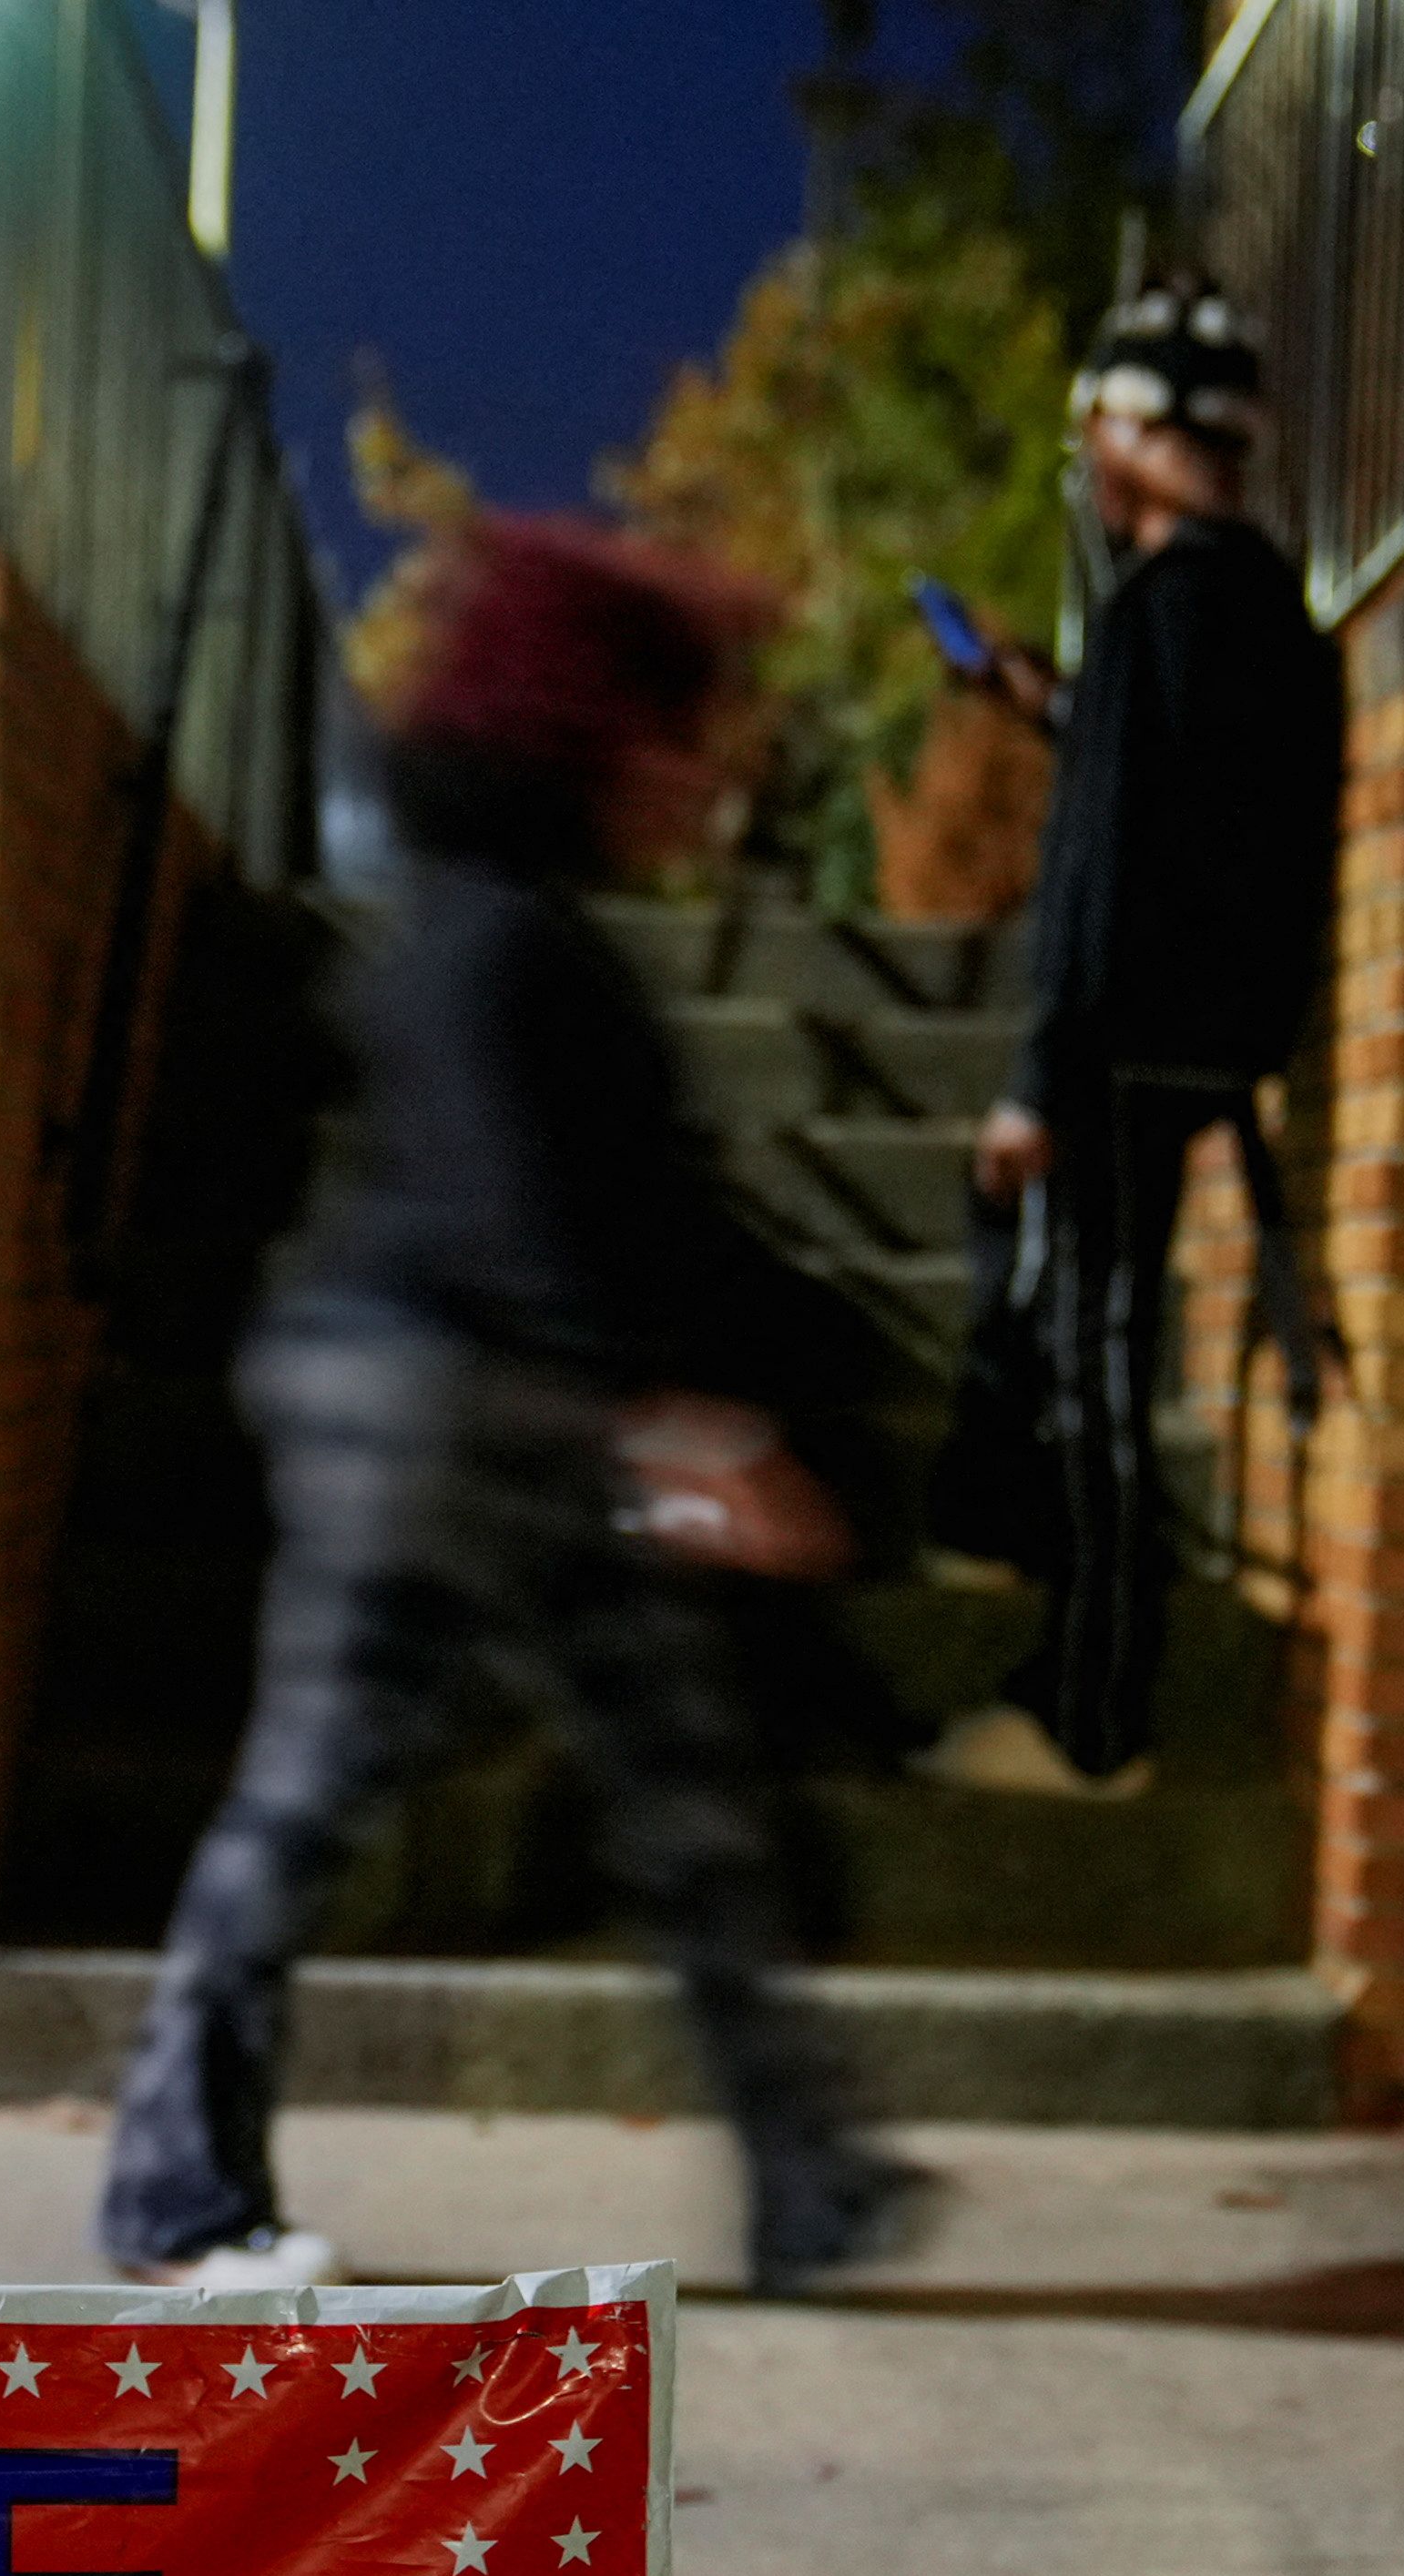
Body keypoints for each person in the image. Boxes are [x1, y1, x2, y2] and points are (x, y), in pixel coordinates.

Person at [99, 522, 934, 2301]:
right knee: (325, 1781)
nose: (695, 778)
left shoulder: (524, 935)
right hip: (419, 1404)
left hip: (508, 1406)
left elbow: (650, 1218)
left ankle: (809, 2178)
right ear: (583, 730)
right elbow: (517, 1209)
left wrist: (731, 1392)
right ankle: (173, 2194)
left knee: (671, 1787)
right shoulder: (481, 947)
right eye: (672, 735)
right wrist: (690, 1432)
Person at [919, 277, 1348, 1800]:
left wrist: (1042, 1072)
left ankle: (1094, 1716)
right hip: (1210, 1049)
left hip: (1111, 1052)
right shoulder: (1279, 623)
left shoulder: (1157, 608)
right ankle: (1032, 1599)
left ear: (1155, 442)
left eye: (1104, 426)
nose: (1091, 460)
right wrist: (1064, 708)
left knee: (1097, 1371)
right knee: (1095, 1351)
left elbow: (1102, 864)